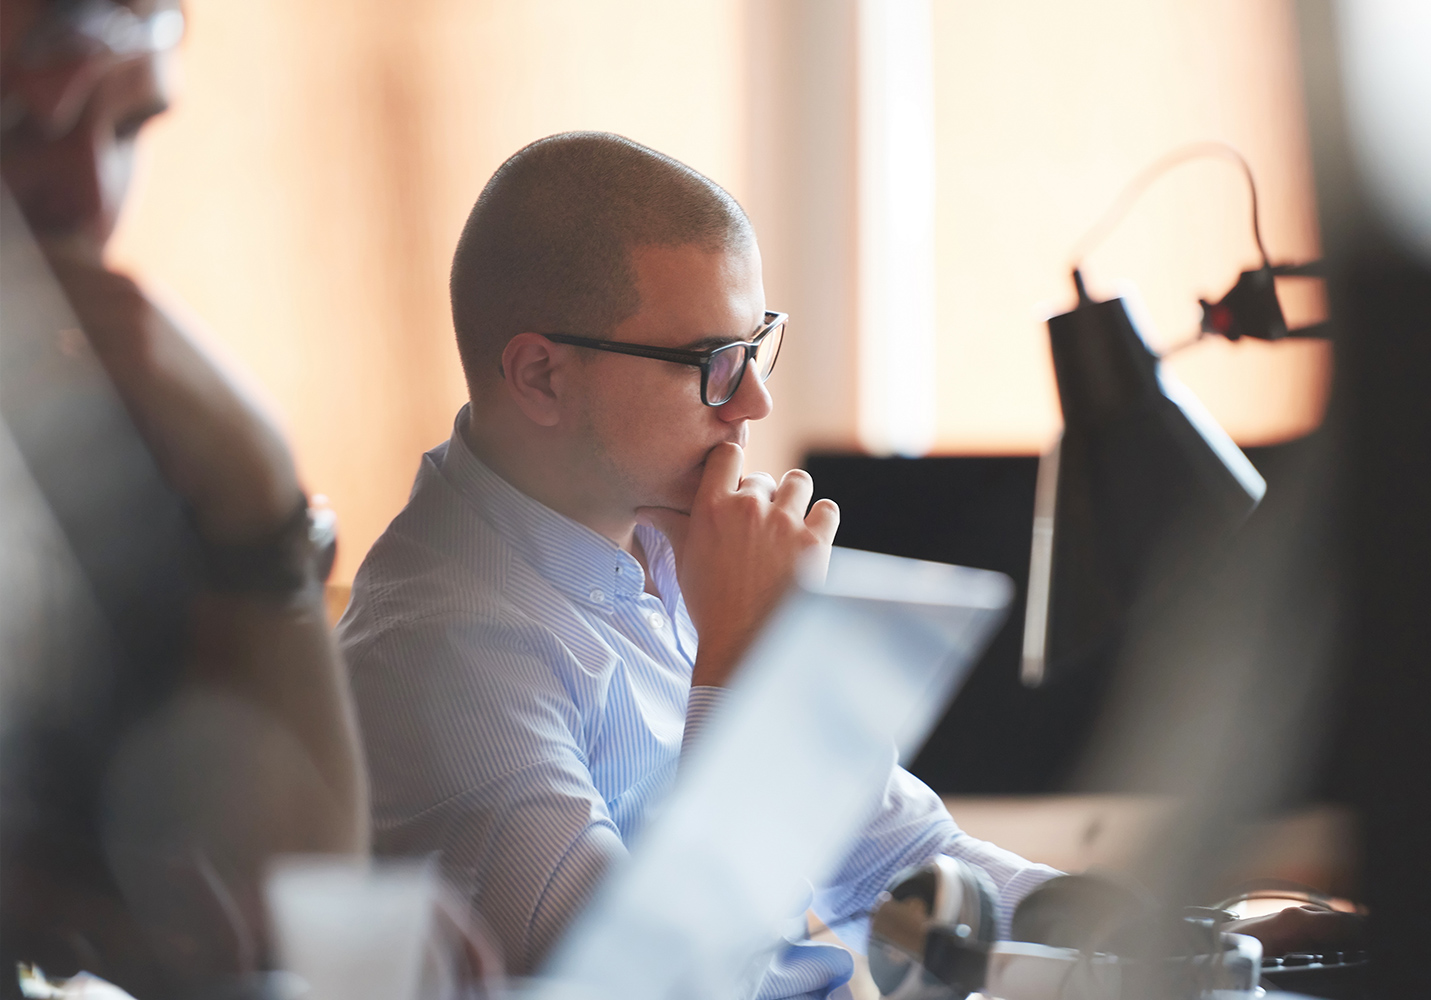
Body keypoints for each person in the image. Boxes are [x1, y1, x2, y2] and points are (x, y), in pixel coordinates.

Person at [336, 132, 1065, 996]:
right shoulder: (440, 654)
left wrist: (1169, 929)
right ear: (540, 376)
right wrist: (745, 664)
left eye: (755, 347)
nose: (754, 400)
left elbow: (896, 854)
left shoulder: (676, 542)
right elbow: (648, 985)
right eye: (711, 364)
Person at [0, 1, 369, 994]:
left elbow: (279, 904)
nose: (88, 198)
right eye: (16, 126)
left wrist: (258, 502)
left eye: (128, 129)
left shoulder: (68, 452)